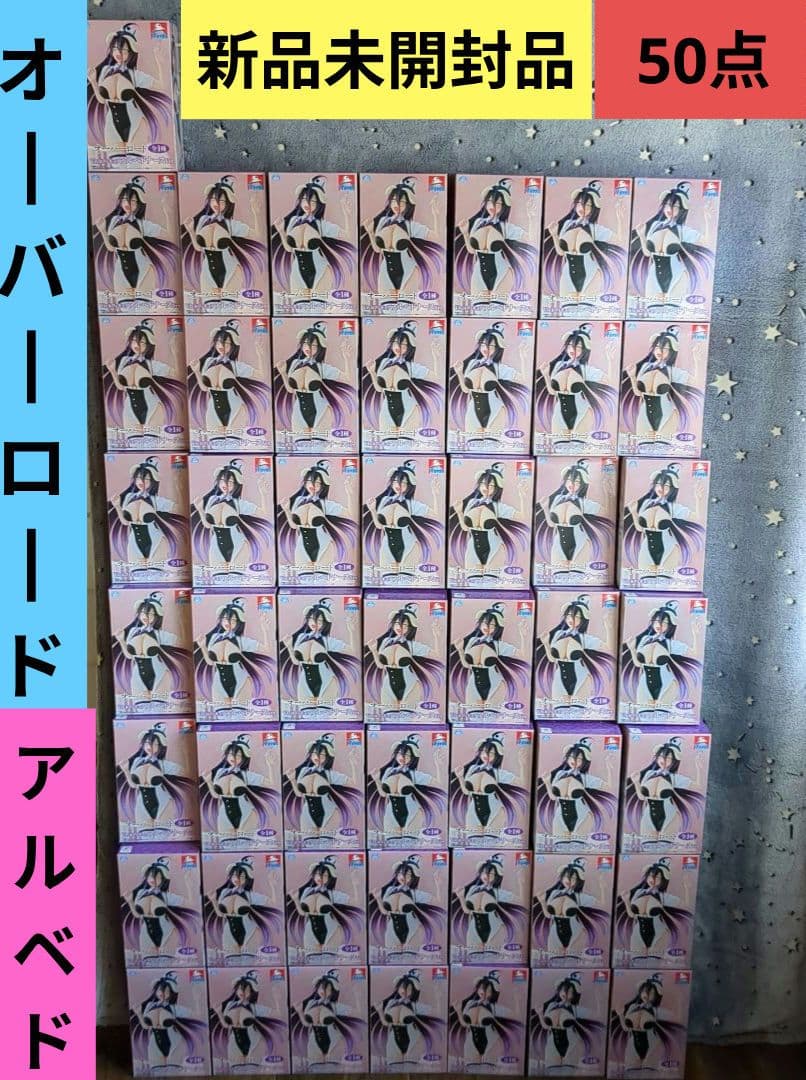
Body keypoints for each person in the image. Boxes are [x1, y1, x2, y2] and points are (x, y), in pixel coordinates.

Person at [87, 23, 173, 161]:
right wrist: (93, 82)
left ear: (130, 52)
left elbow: (162, 86)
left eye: (123, 49)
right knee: (117, 165)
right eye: (115, 48)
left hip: (136, 124)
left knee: (134, 163)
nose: (118, 53)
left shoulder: (136, 75)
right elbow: (102, 100)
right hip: (111, 125)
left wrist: (160, 63)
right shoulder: (104, 72)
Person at [271, 175, 356, 309]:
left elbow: (347, 236)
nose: (307, 203)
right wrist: (281, 231)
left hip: (321, 271)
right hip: (297, 273)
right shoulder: (293, 222)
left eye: (312, 201)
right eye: (304, 199)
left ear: (319, 203)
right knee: (301, 310)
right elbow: (289, 249)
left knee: (317, 309)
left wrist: (346, 214)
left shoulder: (322, 225)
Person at [181, 174, 267, 307]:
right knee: (210, 309)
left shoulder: (231, 225)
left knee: (229, 308)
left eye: (222, 201)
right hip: (207, 273)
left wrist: (256, 213)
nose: (216, 203)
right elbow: (199, 248)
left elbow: (257, 235)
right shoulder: (202, 221)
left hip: (231, 272)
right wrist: (191, 230)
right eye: (213, 199)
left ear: (228, 203)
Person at [629, 182, 715, 313]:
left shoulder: (683, 231)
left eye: (675, 206)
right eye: (667, 204)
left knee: (672, 313)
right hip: (653, 276)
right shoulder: (654, 226)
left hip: (677, 277)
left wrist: (707, 220)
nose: (670, 208)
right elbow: (647, 254)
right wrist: (641, 236)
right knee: (653, 313)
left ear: (681, 209)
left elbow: (707, 242)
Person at [454, 178, 539, 310]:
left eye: (498, 203)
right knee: (480, 311)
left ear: (504, 206)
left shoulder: (506, 228)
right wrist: (465, 233)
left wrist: (531, 218)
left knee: (496, 311)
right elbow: (472, 251)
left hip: (502, 273)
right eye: (490, 201)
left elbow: (531, 239)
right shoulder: (477, 223)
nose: (492, 206)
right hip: (478, 273)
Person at [92, 175, 178, 305]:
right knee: (125, 308)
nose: (128, 204)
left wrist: (168, 213)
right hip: (120, 274)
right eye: (125, 199)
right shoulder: (113, 222)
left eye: (133, 201)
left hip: (144, 272)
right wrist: (103, 230)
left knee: (143, 307)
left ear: (139, 204)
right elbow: (111, 248)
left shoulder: (143, 225)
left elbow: (170, 236)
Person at [360, 176, 443, 309]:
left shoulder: (411, 226)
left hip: (408, 272)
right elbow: (377, 250)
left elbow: (437, 237)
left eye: (402, 202)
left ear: (409, 204)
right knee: (387, 310)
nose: (397, 205)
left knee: (405, 310)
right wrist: (370, 232)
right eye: (394, 200)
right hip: (385, 272)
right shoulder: (382, 222)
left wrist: (436, 215)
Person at [543, 181, 626, 313]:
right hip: (567, 275)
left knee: (586, 312)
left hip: (591, 275)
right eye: (580, 203)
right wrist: (554, 235)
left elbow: (620, 240)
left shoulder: (595, 229)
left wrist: (620, 219)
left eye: (588, 205)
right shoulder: (566, 225)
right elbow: (561, 253)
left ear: (594, 208)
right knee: (567, 312)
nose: (583, 207)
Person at [187, 318, 270, 443]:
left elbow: (261, 375)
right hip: (212, 410)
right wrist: (197, 371)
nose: (221, 346)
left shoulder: (236, 366)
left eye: (226, 343)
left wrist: (260, 355)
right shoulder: (208, 362)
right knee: (215, 444)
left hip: (236, 410)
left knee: (234, 443)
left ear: (233, 345)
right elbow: (204, 388)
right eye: (219, 342)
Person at [103, 318, 185, 445]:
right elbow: (121, 387)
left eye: (142, 342)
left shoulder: (152, 365)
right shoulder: (123, 362)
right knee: (134, 445)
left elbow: (178, 375)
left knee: (152, 443)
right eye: (134, 340)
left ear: (148, 345)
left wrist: (175, 353)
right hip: (129, 410)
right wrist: (113, 371)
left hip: (153, 409)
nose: (137, 345)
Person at [620, 325, 704, 447]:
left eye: (665, 348)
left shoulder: (673, 371)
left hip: (667, 416)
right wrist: (632, 376)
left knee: (662, 448)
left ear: (672, 351)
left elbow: (696, 382)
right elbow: (638, 393)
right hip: (643, 416)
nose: (659, 351)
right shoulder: (645, 367)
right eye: (657, 347)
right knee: (644, 448)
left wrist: (697, 361)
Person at [534, 323, 618, 446]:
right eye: (569, 345)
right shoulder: (558, 366)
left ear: (584, 350)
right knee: (560, 447)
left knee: (578, 447)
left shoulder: (587, 370)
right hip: (559, 414)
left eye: (578, 347)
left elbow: (610, 381)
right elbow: (552, 392)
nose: (572, 350)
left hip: (582, 413)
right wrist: (546, 375)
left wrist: (610, 361)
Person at [273, 321, 355, 445]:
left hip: (321, 412)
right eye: (306, 343)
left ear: (320, 347)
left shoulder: (322, 368)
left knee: (319, 446)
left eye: (314, 345)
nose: (309, 348)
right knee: (301, 447)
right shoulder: (294, 364)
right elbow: (290, 390)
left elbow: (348, 378)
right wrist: (283, 373)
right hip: (298, 412)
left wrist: (346, 358)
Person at [449, 323, 531, 448]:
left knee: (492, 446)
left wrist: (523, 358)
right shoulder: (471, 364)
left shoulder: (500, 369)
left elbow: (524, 379)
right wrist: (460, 373)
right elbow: (466, 390)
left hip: (495, 411)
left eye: (490, 345)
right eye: (482, 344)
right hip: (472, 410)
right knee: (473, 446)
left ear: (498, 348)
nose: (485, 348)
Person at [622, 462, 705, 583]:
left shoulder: (674, 508)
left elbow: (697, 517)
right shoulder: (645, 504)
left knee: (664, 583)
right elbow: (640, 529)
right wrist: (634, 512)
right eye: (658, 484)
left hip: (669, 550)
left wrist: (698, 499)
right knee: (646, 584)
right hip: (646, 550)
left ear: (672, 489)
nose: (661, 488)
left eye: (666, 486)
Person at [363, 320, 442, 445]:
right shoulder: (383, 363)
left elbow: (436, 376)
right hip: (386, 411)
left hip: (409, 411)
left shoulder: (411, 367)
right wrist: (372, 372)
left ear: (409, 347)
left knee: (406, 446)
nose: (398, 347)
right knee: (388, 445)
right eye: (395, 342)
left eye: (403, 344)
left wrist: (436, 357)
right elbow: (379, 389)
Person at [448, 462, 531, 582]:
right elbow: (466, 528)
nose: (485, 487)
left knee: (490, 583)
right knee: (473, 583)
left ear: (497, 488)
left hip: (494, 549)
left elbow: (522, 516)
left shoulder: (498, 507)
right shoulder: (471, 503)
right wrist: (460, 512)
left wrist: (522, 497)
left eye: (490, 485)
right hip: (472, 549)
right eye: (482, 483)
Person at [533, 594, 615, 715]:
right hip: (559, 679)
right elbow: (552, 659)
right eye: (569, 615)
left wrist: (608, 627)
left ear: (583, 620)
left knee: (577, 713)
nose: (572, 619)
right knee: (560, 713)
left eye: (577, 616)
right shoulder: (558, 635)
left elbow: (609, 647)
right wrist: (546, 644)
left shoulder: (584, 638)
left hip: (581, 679)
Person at [193, 596, 275, 717]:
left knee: (239, 716)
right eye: (225, 618)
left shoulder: (241, 641)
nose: (228, 622)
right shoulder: (214, 638)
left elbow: (267, 649)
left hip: (241, 683)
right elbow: (210, 662)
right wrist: (203, 647)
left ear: (238, 622)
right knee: (221, 717)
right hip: (218, 683)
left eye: (233, 620)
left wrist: (265, 630)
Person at [363, 459, 442, 582]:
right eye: (395, 481)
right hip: (386, 548)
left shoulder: (412, 504)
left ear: (409, 485)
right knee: (388, 581)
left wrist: (435, 494)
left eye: (403, 483)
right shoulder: (384, 501)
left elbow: (436, 514)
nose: (398, 485)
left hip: (409, 548)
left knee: (406, 581)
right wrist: (373, 510)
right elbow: (379, 526)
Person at [620, 600, 702, 719]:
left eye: (664, 622)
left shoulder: (671, 644)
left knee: (661, 717)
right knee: (644, 717)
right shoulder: (645, 640)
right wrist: (632, 649)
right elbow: (638, 664)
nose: (659, 625)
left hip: (667, 685)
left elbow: (694, 653)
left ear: (670, 625)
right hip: (644, 685)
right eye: (657, 621)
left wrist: (695, 635)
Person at [279, 597, 360, 717]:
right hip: (304, 683)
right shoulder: (300, 638)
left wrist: (351, 631)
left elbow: (353, 650)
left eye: (320, 620)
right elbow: (296, 662)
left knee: (324, 715)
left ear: (325, 623)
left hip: (327, 682)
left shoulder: (328, 641)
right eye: (312, 618)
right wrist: (290, 647)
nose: (314, 623)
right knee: (307, 717)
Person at [191, 459, 273, 577]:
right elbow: (208, 525)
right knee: (218, 580)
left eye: (230, 482)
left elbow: (263, 513)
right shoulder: (211, 500)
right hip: (215, 548)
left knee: (236, 578)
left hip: (238, 547)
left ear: (236, 484)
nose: (225, 484)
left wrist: (263, 494)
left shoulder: (239, 504)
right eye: (222, 480)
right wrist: (200, 510)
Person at [277, 460, 357, 580]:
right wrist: (287, 510)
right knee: (304, 581)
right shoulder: (298, 501)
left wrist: (350, 494)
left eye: (317, 483)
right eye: (309, 481)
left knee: (322, 581)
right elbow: (294, 526)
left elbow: (350, 514)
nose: (313, 485)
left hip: (324, 547)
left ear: (323, 485)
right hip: (301, 548)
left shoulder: (326, 504)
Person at [449, 601, 531, 717]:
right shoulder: (471, 642)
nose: (487, 627)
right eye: (484, 623)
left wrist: (523, 636)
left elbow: (522, 654)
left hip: (495, 686)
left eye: (492, 625)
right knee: (474, 717)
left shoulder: (499, 645)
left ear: (497, 627)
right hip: (473, 686)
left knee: (491, 717)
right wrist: (460, 651)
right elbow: (467, 666)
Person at [107, 455, 186, 575]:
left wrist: (179, 489)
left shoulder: (157, 501)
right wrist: (117, 506)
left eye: (146, 479)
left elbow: (180, 509)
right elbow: (126, 522)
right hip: (133, 543)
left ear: (153, 481)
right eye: (138, 478)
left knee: (156, 575)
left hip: (156, 542)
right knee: (137, 575)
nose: (141, 482)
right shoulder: (128, 498)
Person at [535, 734, 618, 846]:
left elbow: (608, 787)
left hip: (582, 818)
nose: (574, 760)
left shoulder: (585, 778)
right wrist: (547, 782)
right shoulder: (559, 774)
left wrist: (609, 769)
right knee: (560, 847)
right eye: (571, 757)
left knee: (577, 846)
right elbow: (553, 797)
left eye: (579, 758)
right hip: (559, 818)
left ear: (584, 761)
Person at [111, 591, 190, 710]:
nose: (145, 616)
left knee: (159, 708)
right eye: (143, 612)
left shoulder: (161, 635)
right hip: (137, 677)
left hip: (160, 676)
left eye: (150, 613)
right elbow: (129, 656)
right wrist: (122, 640)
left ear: (156, 616)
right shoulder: (132, 632)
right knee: (141, 709)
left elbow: (184, 643)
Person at [199, 732, 280, 846]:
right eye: (231, 754)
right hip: (223, 816)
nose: (233, 758)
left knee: (244, 845)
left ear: (244, 758)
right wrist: (208, 781)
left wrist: (270, 765)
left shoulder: (246, 775)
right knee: (226, 846)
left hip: (246, 815)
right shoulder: (220, 772)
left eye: (238, 755)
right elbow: (216, 796)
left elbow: (271, 783)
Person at [534, 459, 613, 577]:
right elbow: (552, 525)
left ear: (582, 485)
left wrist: (607, 493)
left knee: (577, 578)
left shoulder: (584, 503)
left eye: (577, 482)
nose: (572, 484)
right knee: (558, 578)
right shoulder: (556, 500)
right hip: (558, 545)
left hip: (580, 545)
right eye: (569, 480)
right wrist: (545, 508)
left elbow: (607, 512)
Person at [115, 721, 195, 837]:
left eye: (154, 744)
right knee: (144, 834)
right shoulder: (136, 762)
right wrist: (126, 770)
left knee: (163, 834)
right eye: (147, 743)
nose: (150, 747)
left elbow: (185, 774)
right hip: (141, 805)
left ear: (160, 746)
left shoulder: (166, 765)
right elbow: (134, 785)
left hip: (163, 803)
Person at [364, 603, 443, 719]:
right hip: (387, 687)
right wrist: (374, 651)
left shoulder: (412, 645)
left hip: (410, 687)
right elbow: (380, 666)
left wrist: (437, 636)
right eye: (397, 623)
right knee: (390, 719)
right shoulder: (385, 642)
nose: (400, 627)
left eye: (405, 625)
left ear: (410, 628)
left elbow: (437, 655)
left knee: (407, 718)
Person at [623, 736, 705, 847]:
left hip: (669, 818)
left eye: (668, 758)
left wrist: (699, 768)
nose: (663, 760)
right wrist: (636, 782)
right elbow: (642, 797)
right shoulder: (649, 774)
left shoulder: (675, 778)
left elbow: (698, 786)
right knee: (648, 848)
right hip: (647, 818)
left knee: (663, 848)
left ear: (674, 761)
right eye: (661, 756)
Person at [282, 733, 363, 846]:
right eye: (314, 753)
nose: (317, 756)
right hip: (306, 814)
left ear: (328, 756)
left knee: (326, 845)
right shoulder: (304, 771)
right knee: (309, 846)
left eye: (321, 754)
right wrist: (292, 780)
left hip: (329, 814)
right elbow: (299, 794)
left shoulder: (330, 774)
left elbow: (353, 782)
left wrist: (353, 765)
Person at [449, 731, 529, 843]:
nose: (486, 755)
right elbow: (466, 792)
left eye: (491, 753)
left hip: (495, 812)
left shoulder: (498, 773)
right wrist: (460, 777)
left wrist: (522, 765)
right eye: (484, 751)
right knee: (473, 843)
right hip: (472, 812)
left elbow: (523, 783)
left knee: (491, 842)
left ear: (497, 756)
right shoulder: (472, 769)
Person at [366, 732, 447, 843]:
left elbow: (439, 783)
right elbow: (383, 794)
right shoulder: (388, 772)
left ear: (413, 757)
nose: (402, 757)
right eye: (399, 753)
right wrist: (376, 780)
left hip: (412, 814)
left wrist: (438, 766)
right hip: (390, 815)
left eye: (407, 755)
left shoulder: (415, 774)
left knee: (410, 844)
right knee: (392, 844)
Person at [120, 856, 201, 963]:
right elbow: (138, 915)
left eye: (158, 877)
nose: (153, 879)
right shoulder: (140, 893)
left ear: (163, 880)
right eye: (151, 876)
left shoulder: (167, 896)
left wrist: (189, 885)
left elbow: (191, 903)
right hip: (145, 934)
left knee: (166, 962)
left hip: (167, 933)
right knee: (149, 963)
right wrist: (130, 901)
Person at [203, 856, 283, 962]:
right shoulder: (224, 893)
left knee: (248, 961)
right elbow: (221, 915)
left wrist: (272, 886)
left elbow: (273, 903)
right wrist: (213, 900)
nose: (237, 879)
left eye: (241, 876)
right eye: (234, 875)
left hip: (250, 932)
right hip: (228, 932)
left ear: (247, 879)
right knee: (231, 962)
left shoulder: (250, 895)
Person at [285, 855, 364, 962]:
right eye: (318, 874)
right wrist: (295, 900)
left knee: (329, 960)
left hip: (331, 931)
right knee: (312, 960)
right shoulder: (307, 891)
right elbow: (303, 913)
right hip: (309, 931)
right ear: (313, 875)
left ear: (329, 878)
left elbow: (356, 902)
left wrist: (355, 885)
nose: (320, 877)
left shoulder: (333, 894)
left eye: (325, 875)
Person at [368, 855, 445, 963]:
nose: (403, 876)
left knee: (410, 960)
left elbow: (438, 902)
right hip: (391, 931)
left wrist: (438, 885)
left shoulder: (415, 893)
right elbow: (385, 912)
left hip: (412, 931)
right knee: (393, 961)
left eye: (408, 875)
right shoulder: (389, 890)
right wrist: (378, 899)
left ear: (413, 878)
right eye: (400, 873)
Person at [450, 854, 527, 961]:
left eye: (490, 873)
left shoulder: (499, 893)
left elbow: (522, 901)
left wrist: (521, 883)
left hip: (495, 930)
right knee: (475, 959)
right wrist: (461, 897)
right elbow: (467, 911)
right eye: (483, 872)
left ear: (497, 876)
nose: (486, 875)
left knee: (491, 959)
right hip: (473, 930)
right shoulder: (473, 889)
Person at [615, 858, 693, 964]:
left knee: (653, 963)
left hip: (659, 935)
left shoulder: (665, 897)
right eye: (651, 875)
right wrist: (626, 900)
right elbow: (632, 915)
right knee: (638, 964)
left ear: (663, 880)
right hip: (637, 935)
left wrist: (687, 889)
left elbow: (686, 906)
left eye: (657, 877)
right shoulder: (638, 892)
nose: (653, 879)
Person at [531, 858, 610, 962]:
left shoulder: (581, 897)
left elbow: (603, 905)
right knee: (554, 962)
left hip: (576, 935)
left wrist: (603, 888)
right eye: (566, 876)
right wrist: (542, 902)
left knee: (573, 962)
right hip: (554, 935)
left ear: (578, 881)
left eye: (573, 878)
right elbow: (549, 916)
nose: (568, 880)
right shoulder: (554, 893)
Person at [129, 972, 208, 1072]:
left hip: (174, 1043)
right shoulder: (150, 1006)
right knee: (157, 1071)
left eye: (167, 991)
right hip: (154, 1044)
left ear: (171, 993)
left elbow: (197, 1015)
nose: (162, 993)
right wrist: (139, 1014)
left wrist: (197, 999)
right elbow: (146, 1026)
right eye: (160, 990)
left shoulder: (175, 1008)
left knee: (174, 1070)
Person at [210, 970, 287, 1071]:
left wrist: (277, 1000)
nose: (242, 992)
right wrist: (219, 1013)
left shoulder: (255, 1008)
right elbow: (226, 1025)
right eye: (240, 989)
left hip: (254, 1044)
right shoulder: (230, 1005)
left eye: (246, 990)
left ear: (251, 992)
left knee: (253, 1070)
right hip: (233, 1044)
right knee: (236, 1070)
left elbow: (278, 1014)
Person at [609, 974, 686, 1073]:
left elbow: (674, 1020)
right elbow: (626, 1028)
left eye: (651, 993)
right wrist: (620, 1015)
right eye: (644, 991)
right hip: (632, 1046)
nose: (646, 994)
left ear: (656, 996)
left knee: (649, 1071)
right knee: (631, 1071)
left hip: (652, 1046)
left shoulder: (657, 1011)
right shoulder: (633, 1007)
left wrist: (680, 1004)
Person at [529, 973, 605, 1073]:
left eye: (570, 992)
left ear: (574, 995)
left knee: (568, 1071)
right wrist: (540, 1014)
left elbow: (597, 1016)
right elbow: (546, 1026)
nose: (565, 993)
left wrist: (599, 1001)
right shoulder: (552, 1005)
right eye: (563, 990)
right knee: (552, 1071)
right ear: (559, 991)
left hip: (571, 1045)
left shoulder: (576, 1009)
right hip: (552, 1045)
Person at [370, 970, 446, 1068]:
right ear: (398, 988)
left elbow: (438, 1013)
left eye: (409, 988)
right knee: (394, 1067)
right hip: (392, 1042)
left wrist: (438, 998)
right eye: (402, 987)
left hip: (413, 1041)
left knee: (411, 1067)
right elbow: (386, 1023)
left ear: (413, 990)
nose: (404, 990)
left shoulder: (415, 1005)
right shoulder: (391, 1003)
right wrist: (380, 1010)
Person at [290, 970, 366, 1068]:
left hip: (334, 1043)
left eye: (327, 988)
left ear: (332, 991)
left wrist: (357, 998)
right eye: (321, 987)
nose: (323, 990)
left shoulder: (336, 1006)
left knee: (332, 1069)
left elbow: (358, 1013)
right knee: (315, 1068)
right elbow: (307, 1024)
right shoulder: (310, 1003)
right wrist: (300, 1011)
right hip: (313, 1043)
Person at [449, 970, 523, 1069]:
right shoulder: (470, 1004)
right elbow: (465, 1024)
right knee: (471, 1068)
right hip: (470, 1043)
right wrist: (458, 1010)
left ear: (492, 993)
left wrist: (517, 1001)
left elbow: (516, 1017)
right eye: (481, 988)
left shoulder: (495, 1008)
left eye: (487, 990)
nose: (483, 991)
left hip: (491, 1043)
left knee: (488, 1069)